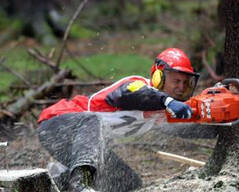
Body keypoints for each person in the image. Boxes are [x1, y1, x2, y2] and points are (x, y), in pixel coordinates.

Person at [37, 48, 201, 192]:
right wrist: (167, 101)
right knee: (92, 120)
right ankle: (79, 184)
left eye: (185, 83)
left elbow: (191, 128)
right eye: (176, 81)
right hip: (56, 125)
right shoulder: (137, 85)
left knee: (129, 182)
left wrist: (219, 119)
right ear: (159, 77)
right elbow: (129, 94)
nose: (181, 87)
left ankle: (59, 177)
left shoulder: (161, 113)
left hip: (80, 146)